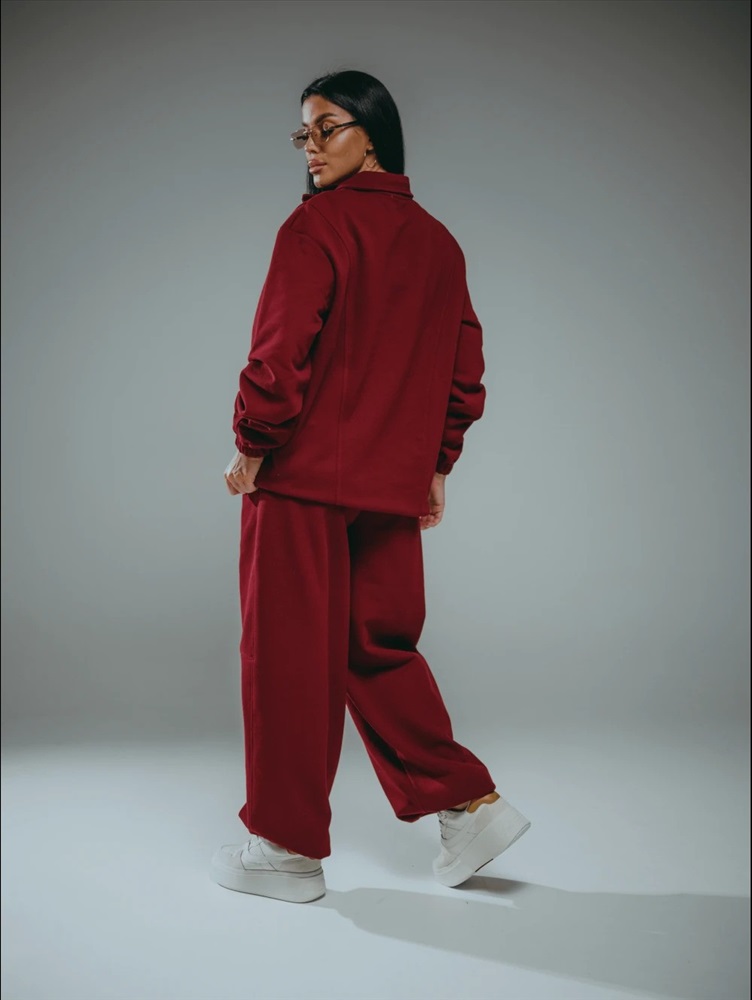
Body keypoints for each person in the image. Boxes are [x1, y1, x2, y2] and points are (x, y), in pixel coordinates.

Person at [210, 70, 530, 904]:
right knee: (378, 650)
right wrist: (433, 467)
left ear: (374, 134)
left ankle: (284, 851)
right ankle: (468, 805)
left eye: (329, 128)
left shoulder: (314, 227)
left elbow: (279, 354)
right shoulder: (438, 242)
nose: (312, 148)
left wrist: (252, 445)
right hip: (388, 488)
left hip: (301, 482)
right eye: (304, 134)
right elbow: (465, 372)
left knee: (287, 661)